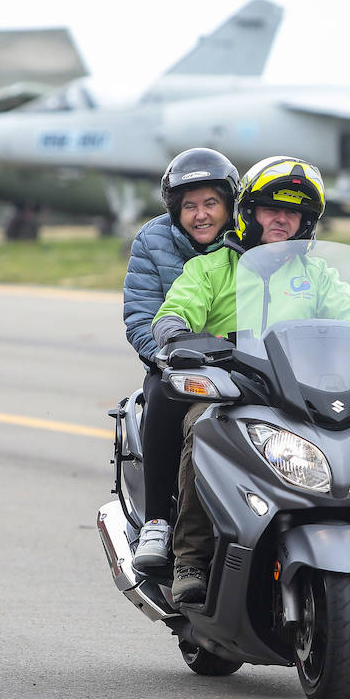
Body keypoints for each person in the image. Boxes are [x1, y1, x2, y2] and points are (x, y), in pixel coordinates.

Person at [150, 155, 339, 603]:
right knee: (203, 429)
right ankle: (191, 559)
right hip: (233, 393)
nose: (282, 219)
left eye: (293, 211)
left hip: (304, 395)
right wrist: (177, 334)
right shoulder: (212, 268)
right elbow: (175, 310)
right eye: (272, 208)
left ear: (306, 221)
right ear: (249, 212)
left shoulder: (319, 275)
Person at [122, 147, 238, 573]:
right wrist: (170, 355)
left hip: (245, 363)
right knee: (164, 400)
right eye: (189, 206)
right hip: (174, 362)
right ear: (175, 211)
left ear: (229, 205)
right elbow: (140, 316)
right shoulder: (151, 240)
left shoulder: (248, 242)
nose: (201, 215)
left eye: (211, 203)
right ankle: (157, 520)